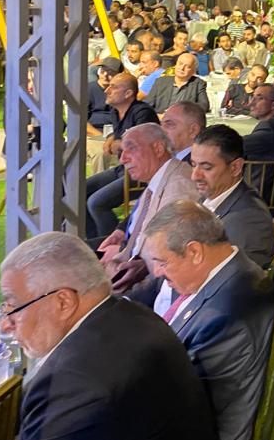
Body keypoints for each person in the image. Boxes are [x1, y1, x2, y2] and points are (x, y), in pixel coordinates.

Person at [1, 231, 225, 440]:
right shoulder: (134, 316)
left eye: (13, 307)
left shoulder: (73, 382)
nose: (5, 324)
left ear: (63, 302)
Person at [139, 202, 274, 440]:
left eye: (163, 262)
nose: (158, 273)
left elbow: (187, 406)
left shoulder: (227, 314)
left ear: (194, 252)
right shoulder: (230, 275)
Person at [96, 124, 200, 293]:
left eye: (131, 148)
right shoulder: (158, 179)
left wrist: (121, 253)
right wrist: (121, 239)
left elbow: (171, 253)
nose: (123, 159)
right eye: (122, 151)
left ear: (158, 148)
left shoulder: (179, 186)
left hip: (151, 284)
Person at [84, 73, 158, 239]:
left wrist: (119, 143)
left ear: (128, 94)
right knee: (80, 192)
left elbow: (144, 144)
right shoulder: (115, 112)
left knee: (96, 203)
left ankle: (111, 243)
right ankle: (93, 240)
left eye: (114, 87)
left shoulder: (142, 112)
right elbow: (121, 134)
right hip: (122, 168)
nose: (107, 90)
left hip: (141, 173)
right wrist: (113, 137)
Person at [190, 124, 274, 268]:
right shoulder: (212, 196)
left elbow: (235, 278)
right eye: (193, 165)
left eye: (206, 167)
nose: (195, 176)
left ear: (235, 167)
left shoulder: (249, 221)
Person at [145, 53, 209, 116]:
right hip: (160, 119)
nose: (182, 68)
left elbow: (204, 106)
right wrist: (157, 116)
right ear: (175, 65)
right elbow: (147, 105)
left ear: (193, 71)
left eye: (187, 66)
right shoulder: (161, 81)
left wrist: (181, 113)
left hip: (182, 119)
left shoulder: (198, 84)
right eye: (180, 64)